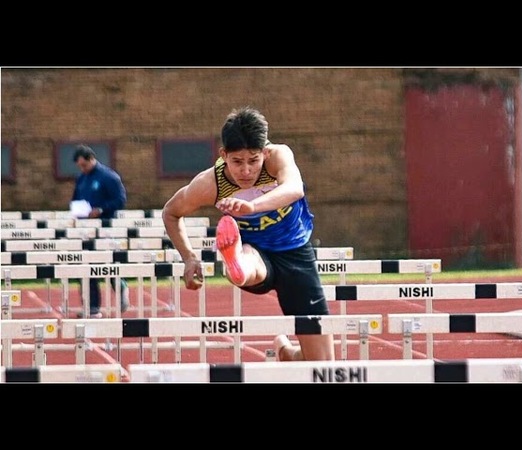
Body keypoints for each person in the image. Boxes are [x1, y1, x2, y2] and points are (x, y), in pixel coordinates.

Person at [162, 106, 335, 361]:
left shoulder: (278, 156)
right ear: (223, 155)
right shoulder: (211, 183)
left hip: (294, 251)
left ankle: (286, 352)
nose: (245, 171)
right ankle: (236, 265)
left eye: (253, 161)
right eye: (237, 162)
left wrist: (252, 206)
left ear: (265, 152)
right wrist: (189, 258)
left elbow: (295, 188)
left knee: (322, 364)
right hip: (254, 253)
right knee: (249, 260)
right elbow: (171, 212)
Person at [71, 144, 129, 318]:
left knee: (107, 266)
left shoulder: (109, 177)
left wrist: (101, 210)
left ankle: (121, 287)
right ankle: (93, 307)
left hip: (105, 229)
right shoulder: (82, 178)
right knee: (86, 266)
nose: (82, 169)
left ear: (91, 159)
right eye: (79, 166)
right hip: (85, 230)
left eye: (84, 165)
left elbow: (120, 200)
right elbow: (75, 199)